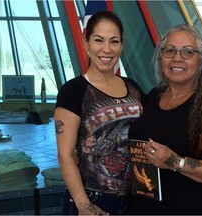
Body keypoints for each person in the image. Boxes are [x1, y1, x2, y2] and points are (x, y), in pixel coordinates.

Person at [127, 24, 202, 215]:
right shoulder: (153, 97)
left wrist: (175, 161)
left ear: (201, 60)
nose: (177, 58)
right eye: (170, 51)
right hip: (148, 207)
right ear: (161, 57)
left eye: (188, 52)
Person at [54, 11, 143, 215]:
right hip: (93, 199)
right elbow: (65, 155)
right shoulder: (73, 91)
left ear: (122, 44)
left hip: (134, 198)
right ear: (86, 43)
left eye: (114, 41)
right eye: (98, 40)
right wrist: (84, 207)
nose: (107, 49)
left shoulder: (134, 88)